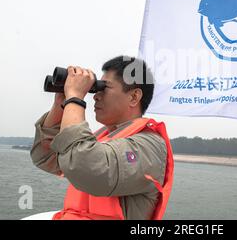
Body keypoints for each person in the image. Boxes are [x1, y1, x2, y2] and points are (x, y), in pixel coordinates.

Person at [30, 56, 174, 220]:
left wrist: (75, 98)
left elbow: (84, 165)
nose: (96, 96)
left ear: (134, 97)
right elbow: (45, 156)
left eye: (104, 88)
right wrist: (60, 105)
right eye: (95, 89)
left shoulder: (149, 146)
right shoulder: (102, 138)